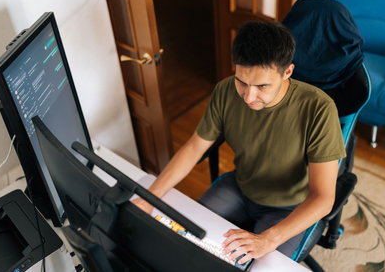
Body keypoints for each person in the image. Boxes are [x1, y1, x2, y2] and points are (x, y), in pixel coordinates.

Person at [132, 20, 346, 264]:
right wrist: (150, 197)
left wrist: (268, 239)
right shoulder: (225, 91)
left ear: (287, 72)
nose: (248, 96)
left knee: (256, 266)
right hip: (240, 188)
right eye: (241, 82)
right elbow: (193, 148)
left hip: (289, 206)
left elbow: (323, 198)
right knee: (183, 241)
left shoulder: (319, 109)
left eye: (262, 86)